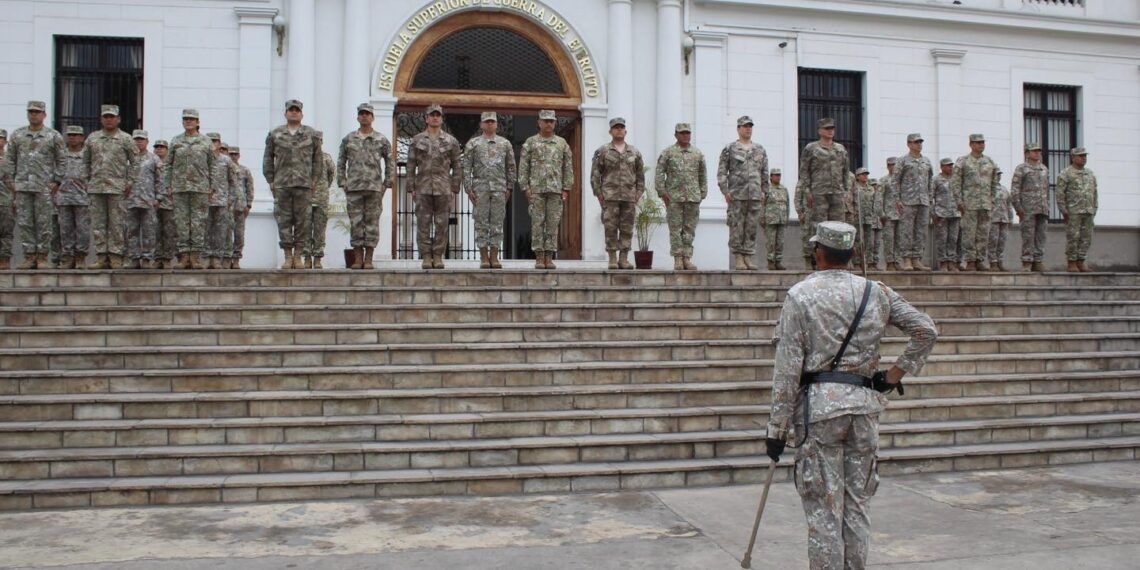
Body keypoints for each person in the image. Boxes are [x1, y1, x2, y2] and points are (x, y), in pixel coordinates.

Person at [765, 220, 937, 570]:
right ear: (852, 253)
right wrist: (892, 376)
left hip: (820, 411)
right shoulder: (877, 292)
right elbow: (926, 330)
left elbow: (787, 369)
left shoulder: (800, 295)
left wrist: (776, 429)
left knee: (825, 509)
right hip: (863, 407)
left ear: (818, 253)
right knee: (857, 505)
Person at [264, 99, 322, 270]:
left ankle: (298, 255)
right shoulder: (275, 134)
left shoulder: (311, 134)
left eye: (297, 110)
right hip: (282, 184)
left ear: (302, 114)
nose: (294, 113)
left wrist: (314, 180)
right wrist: (271, 180)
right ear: (285, 113)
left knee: (303, 221)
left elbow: (317, 160)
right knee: (284, 221)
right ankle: (288, 256)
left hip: (303, 184)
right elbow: (268, 158)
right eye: (291, 110)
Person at [8, 100, 66, 270]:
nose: (34, 115)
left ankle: (41, 256)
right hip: (23, 186)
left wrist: (57, 180)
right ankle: (28, 256)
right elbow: (11, 159)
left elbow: (61, 159)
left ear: (44, 115)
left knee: (44, 223)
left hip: (43, 187)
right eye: (31, 112)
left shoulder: (53, 136)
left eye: (37, 112)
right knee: (25, 222)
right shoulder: (18, 135)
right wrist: (11, 180)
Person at [406, 103, 461, 270]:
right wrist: (411, 187)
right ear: (426, 118)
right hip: (422, 187)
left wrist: (454, 188)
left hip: (443, 188)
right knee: (423, 223)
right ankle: (426, 256)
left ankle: (437, 256)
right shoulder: (417, 140)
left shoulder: (451, 141)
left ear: (442, 119)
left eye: (438, 115)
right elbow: (410, 165)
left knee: (442, 224)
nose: (435, 118)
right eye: (432, 115)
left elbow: (457, 165)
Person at [338, 102, 393, 270]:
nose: (364, 116)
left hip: (374, 188)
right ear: (357, 117)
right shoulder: (348, 139)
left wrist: (387, 183)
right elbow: (341, 161)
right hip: (354, 188)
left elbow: (390, 160)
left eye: (367, 114)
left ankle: (369, 258)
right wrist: (342, 181)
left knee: (372, 223)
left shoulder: (381, 139)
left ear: (372, 117)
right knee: (356, 223)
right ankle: (357, 258)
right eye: (361, 114)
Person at [84, 104, 137, 269]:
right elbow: (85, 161)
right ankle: (101, 256)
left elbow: (135, 162)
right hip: (96, 187)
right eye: (106, 117)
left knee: (116, 222)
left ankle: (115, 255)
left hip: (117, 187)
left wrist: (130, 182)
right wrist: (87, 181)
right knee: (99, 223)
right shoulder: (92, 138)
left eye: (112, 117)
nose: (108, 120)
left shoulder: (126, 139)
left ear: (118, 119)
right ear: (101, 119)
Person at [519, 109, 573, 269]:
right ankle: (539, 256)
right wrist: (525, 188)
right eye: (546, 120)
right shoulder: (530, 142)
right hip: (536, 190)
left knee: (553, 224)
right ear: (539, 123)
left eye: (551, 121)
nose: (549, 123)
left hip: (555, 190)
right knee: (537, 223)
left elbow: (568, 167)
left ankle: (549, 256)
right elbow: (523, 166)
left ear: (555, 123)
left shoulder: (562, 143)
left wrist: (566, 188)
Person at [463, 111, 517, 269]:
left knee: (497, 222)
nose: (489, 124)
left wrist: (510, 186)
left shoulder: (505, 144)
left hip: (500, 188)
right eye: (486, 122)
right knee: (481, 222)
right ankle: (483, 257)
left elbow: (511, 166)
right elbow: (466, 167)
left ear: (496, 124)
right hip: (480, 189)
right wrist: (468, 188)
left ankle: (494, 255)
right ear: (481, 124)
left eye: (492, 122)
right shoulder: (473, 144)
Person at [590, 117, 645, 270]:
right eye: (616, 128)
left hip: (629, 196)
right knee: (610, 227)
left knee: (627, 228)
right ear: (610, 131)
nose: (619, 130)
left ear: (625, 131)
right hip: (610, 196)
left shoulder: (634, 152)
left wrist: (638, 193)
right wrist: (599, 193)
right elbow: (595, 174)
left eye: (621, 127)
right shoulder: (603, 151)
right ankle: (612, 258)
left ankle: (624, 258)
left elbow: (640, 175)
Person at [718, 115, 768, 271]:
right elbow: (721, 172)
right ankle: (738, 257)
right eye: (745, 126)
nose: (748, 129)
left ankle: (748, 256)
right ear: (738, 129)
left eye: (750, 126)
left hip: (754, 195)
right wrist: (725, 191)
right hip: (737, 195)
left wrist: (764, 191)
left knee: (751, 226)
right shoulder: (730, 148)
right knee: (736, 226)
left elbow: (764, 172)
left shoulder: (759, 149)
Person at [166, 108, 214, 270]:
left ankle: (196, 257)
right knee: (181, 222)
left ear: (198, 122)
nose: (188, 122)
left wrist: (212, 187)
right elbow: (168, 165)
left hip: (200, 187)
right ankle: (184, 256)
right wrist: (168, 185)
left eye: (192, 119)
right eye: (186, 119)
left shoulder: (206, 141)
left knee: (198, 222)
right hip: (180, 187)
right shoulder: (175, 141)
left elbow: (212, 166)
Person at [656, 123, 707, 271]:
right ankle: (678, 259)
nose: (685, 135)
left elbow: (702, 174)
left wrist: (702, 193)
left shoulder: (697, 153)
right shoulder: (668, 153)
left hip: (693, 197)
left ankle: (687, 258)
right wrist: (662, 193)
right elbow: (659, 173)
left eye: (687, 133)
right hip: (674, 198)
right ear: (676, 135)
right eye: (682, 133)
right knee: (675, 229)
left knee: (689, 229)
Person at [950, 134, 1000, 271]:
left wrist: (993, 199)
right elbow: (955, 183)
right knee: (969, 233)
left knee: (983, 233)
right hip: (969, 203)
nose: (981, 145)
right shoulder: (963, 161)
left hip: (985, 203)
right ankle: (970, 260)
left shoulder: (990, 162)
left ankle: (980, 259)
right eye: (978, 143)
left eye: (982, 142)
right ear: (971, 144)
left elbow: (995, 183)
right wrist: (959, 201)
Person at [797, 117, 851, 232]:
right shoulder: (811, 148)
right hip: (819, 194)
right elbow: (804, 171)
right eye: (827, 128)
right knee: (819, 226)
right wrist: (807, 191)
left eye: (832, 128)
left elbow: (846, 171)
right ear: (820, 131)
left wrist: (847, 191)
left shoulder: (840, 149)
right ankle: (820, 250)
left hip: (837, 193)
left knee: (838, 227)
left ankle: (834, 251)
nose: (830, 131)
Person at [893, 134, 933, 271]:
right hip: (908, 200)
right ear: (909, 144)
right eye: (916, 142)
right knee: (906, 230)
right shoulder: (902, 161)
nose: (919, 145)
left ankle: (917, 259)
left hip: (923, 201)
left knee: (921, 231)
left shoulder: (926, 161)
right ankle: (907, 259)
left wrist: (930, 198)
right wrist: (897, 199)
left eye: (920, 142)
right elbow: (895, 180)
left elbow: (930, 181)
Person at [1055, 147, 1098, 272]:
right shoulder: (1066, 173)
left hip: (1088, 211)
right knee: (1073, 237)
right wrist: (1063, 210)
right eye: (1081, 156)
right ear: (1073, 158)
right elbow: (1060, 194)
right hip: (1073, 211)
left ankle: (1081, 261)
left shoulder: (1090, 174)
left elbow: (1094, 192)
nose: (1084, 158)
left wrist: (1094, 208)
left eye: (1085, 156)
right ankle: (1072, 262)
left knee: (1086, 237)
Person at [123, 129, 160, 269]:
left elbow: (160, 179)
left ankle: (146, 258)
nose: (138, 142)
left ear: (147, 141)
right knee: (131, 231)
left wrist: (159, 197)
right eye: (136, 139)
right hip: (130, 200)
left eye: (141, 139)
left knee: (149, 230)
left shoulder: (153, 158)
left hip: (148, 200)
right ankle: (133, 258)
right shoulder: (126, 159)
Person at [1010, 142, 1050, 272]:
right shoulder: (1021, 169)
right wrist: (1018, 208)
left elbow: (1046, 189)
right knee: (1028, 235)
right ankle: (1027, 261)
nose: (1037, 153)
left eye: (1039, 151)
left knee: (1041, 235)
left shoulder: (1043, 168)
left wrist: (1047, 205)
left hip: (1042, 208)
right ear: (1027, 153)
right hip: (1027, 208)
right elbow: (1015, 190)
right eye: (1034, 151)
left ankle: (1038, 260)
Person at [57, 126, 91, 270]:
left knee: (82, 229)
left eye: (76, 135)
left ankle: (80, 257)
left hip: (82, 198)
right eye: (70, 135)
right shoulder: (60, 154)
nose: (73, 138)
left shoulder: (87, 155)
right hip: (63, 197)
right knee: (65, 229)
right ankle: (67, 257)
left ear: (82, 138)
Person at [206, 133, 236, 270]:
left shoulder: (226, 160)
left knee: (220, 230)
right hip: (204, 201)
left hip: (222, 200)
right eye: (210, 141)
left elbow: (233, 181)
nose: (213, 143)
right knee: (205, 229)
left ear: (219, 143)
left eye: (215, 141)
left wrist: (231, 198)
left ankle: (217, 257)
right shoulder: (202, 159)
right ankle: (206, 257)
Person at [304, 150, 336, 269]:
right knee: (305, 230)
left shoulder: (326, 157)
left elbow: (331, 173)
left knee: (320, 230)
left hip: (321, 199)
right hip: (305, 199)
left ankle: (317, 258)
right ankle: (307, 258)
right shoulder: (304, 156)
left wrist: (324, 187)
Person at [931, 158, 962, 272]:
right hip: (941, 214)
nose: (950, 168)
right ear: (942, 167)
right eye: (948, 166)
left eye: (951, 165)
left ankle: (952, 262)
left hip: (955, 214)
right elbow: (930, 197)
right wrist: (933, 213)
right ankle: (943, 262)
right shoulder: (936, 180)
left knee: (953, 239)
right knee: (942, 239)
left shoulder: (956, 180)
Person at [227, 145, 254, 269]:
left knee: (239, 234)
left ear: (238, 156)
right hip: (226, 206)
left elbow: (249, 187)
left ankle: (236, 258)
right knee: (225, 234)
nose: (232, 156)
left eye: (235, 154)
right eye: (230, 154)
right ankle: (226, 258)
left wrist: (249, 204)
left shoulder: (245, 170)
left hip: (240, 207)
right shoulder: (224, 169)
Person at [151, 140, 176, 269]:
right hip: (153, 202)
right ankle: (157, 257)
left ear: (167, 150)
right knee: (155, 231)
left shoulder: (172, 164)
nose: (159, 149)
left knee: (168, 231)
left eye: (162, 147)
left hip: (168, 203)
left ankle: (166, 258)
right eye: (157, 147)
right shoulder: (150, 162)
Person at [760, 168, 789, 270]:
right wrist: (762, 217)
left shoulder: (784, 189)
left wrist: (787, 218)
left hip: (781, 219)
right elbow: (762, 204)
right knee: (771, 242)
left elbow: (787, 204)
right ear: (771, 177)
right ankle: (770, 261)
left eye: (779, 175)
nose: (778, 177)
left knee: (780, 242)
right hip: (771, 219)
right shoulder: (767, 189)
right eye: (776, 175)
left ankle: (778, 261)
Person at [879, 157, 902, 271]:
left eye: (895, 165)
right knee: (889, 239)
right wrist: (881, 213)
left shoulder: (902, 180)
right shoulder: (884, 180)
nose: (893, 167)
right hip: (888, 214)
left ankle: (897, 261)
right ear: (888, 166)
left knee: (899, 239)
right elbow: (879, 198)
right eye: (891, 165)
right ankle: (890, 262)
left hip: (901, 215)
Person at [988, 168, 1012, 272]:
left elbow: (1009, 205)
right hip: (993, 219)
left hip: (1004, 219)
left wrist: (1011, 218)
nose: (998, 176)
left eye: (999, 174)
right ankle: (993, 262)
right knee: (993, 241)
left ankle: (1000, 261)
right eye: (996, 174)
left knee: (1002, 241)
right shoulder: (988, 189)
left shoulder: (1004, 189)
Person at [0, 129, 14, 270]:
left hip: (5, 202)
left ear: (5, 141)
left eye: (1, 138)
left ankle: (4, 259)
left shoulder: (10, 160)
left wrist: (15, 200)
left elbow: (14, 182)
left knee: (6, 233)